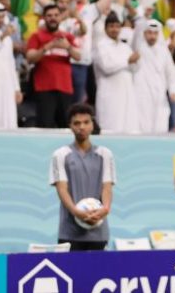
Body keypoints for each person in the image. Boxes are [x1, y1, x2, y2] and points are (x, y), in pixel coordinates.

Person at [49, 104, 116, 251]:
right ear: (70, 126)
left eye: (86, 122)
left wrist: (105, 209)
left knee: (98, 267)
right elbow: (62, 188)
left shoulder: (105, 154)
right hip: (69, 232)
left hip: (99, 232)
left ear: (92, 124)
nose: (82, 127)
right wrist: (76, 212)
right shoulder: (60, 154)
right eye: (77, 123)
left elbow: (107, 187)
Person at [26, 4, 81, 128]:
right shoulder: (36, 36)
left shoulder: (67, 37)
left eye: (56, 15)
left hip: (65, 88)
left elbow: (79, 56)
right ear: (44, 18)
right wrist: (48, 47)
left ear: (60, 17)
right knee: (44, 126)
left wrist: (68, 47)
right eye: (49, 16)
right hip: (44, 88)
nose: (53, 18)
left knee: (66, 126)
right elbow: (30, 58)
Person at [93, 11, 140, 133]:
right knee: (110, 125)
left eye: (117, 26)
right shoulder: (100, 45)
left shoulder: (125, 47)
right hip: (110, 93)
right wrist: (128, 61)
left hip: (127, 92)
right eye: (111, 26)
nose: (115, 29)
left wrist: (135, 61)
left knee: (128, 125)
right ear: (105, 28)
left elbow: (134, 69)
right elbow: (106, 67)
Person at [133, 18, 175, 134]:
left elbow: (170, 72)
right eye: (149, 33)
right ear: (144, 33)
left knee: (161, 122)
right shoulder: (138, 49)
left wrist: (173, 90)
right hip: (141, 92)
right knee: (142, 122)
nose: (152, 36)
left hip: (160, 93)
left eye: (155, 33)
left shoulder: (164, 51)